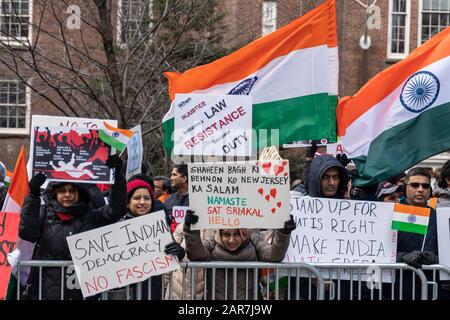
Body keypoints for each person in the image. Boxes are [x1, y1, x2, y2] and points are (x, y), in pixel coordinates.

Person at [18, 154, 127, 300]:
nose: (67, 195)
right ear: (55, 194)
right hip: (47, 294)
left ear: (79, 193)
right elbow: (27, 233)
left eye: (72, 191)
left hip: (85, 293)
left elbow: (115, 210)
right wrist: (33, 195)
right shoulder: (45, 215)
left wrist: (118, 178)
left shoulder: (91, 215)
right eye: (62, 191)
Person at [183, 210, 296, 300]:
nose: (232, 240)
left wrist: (283, 233)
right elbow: (196, 254)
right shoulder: (212, 242)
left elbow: (273, 255)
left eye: (237, 234)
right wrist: (190, 229)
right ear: (220, 234)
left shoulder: (254, 239)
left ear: (244, 233)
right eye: (226, 234)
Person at [108, 178, 185, 300]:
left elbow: (174, 256)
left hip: (151, 292)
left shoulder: (157, 227)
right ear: (128, 202)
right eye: (137, 198)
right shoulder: (115, 227)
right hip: (124, 292)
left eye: (147, 198)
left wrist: (178, 251)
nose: (142, 202)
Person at [395, 167, 439, 299]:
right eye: (415, 185)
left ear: (429, 191)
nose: (420, 189)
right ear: (405, 189)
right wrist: (402, 257)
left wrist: (435, 259)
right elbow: (381, 251)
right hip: (397, 287)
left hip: (430, 287)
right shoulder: (392, 214)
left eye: (425, 186)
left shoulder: (439, 217)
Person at [165, 164, 189, 232]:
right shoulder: (169, 200)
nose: (171, 178)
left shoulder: (198, 200)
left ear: (184, 178)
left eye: (174, 175)